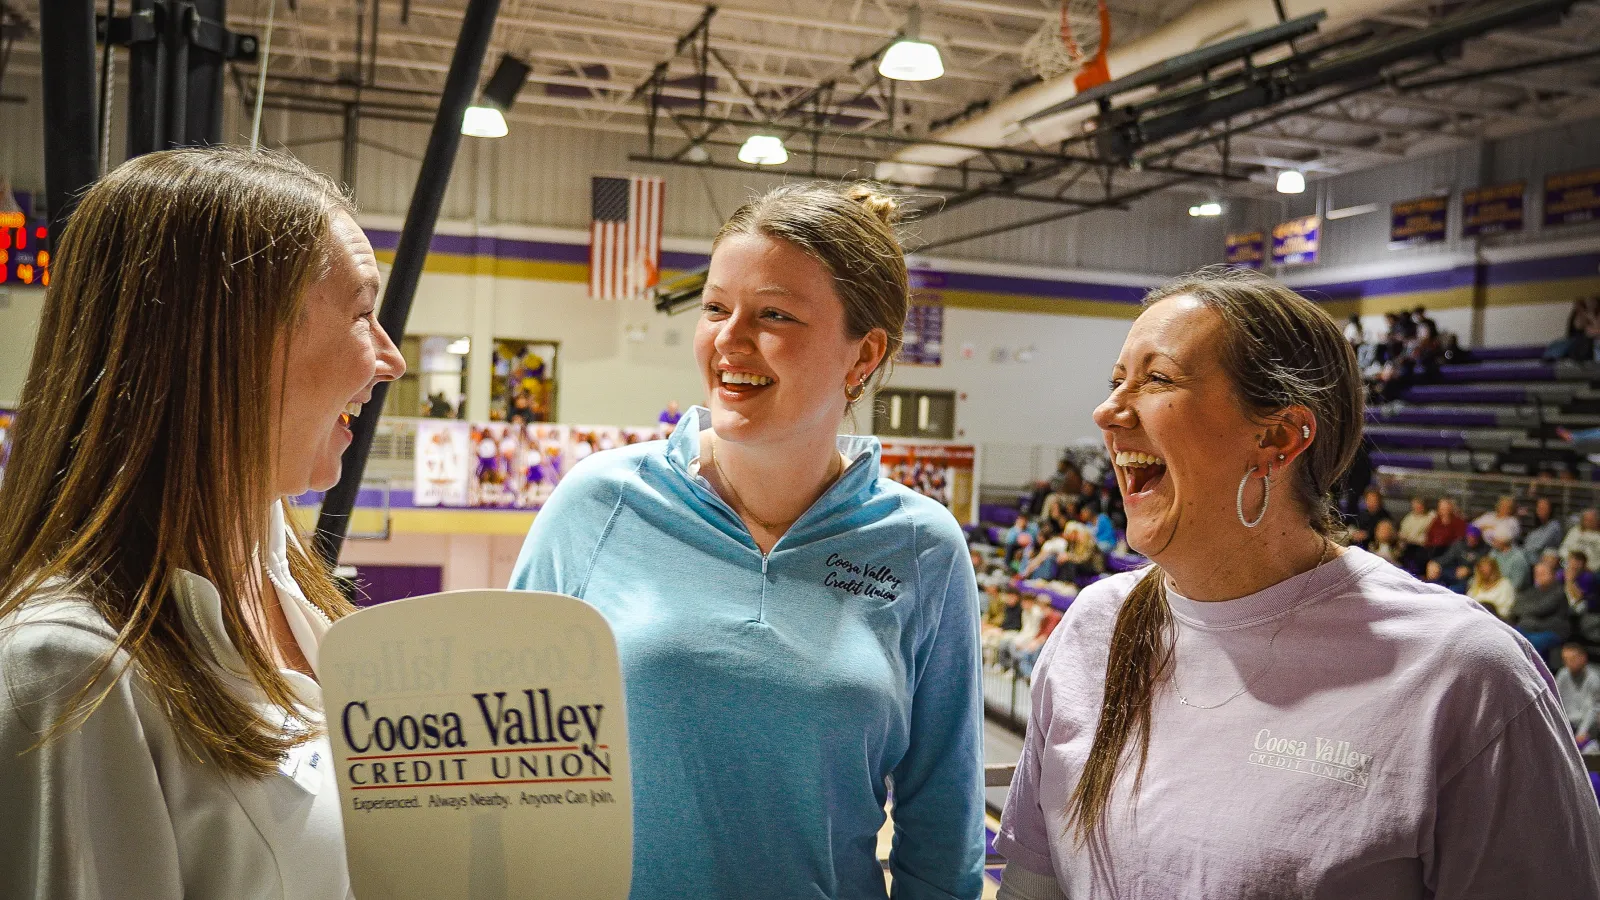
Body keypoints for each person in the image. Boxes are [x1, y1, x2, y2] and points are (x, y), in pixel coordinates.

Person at [994, 267, 1600, 899]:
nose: (1107, 411)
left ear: (1279, 438)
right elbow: (1036, 887)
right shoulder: (1095, 627)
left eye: (1157, 379)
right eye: (1117, 381)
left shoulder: (1466, 676)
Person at [509, 183, 984, 899]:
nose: (729, 339)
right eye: (714, 308)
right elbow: (503, 748)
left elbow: (943, 824)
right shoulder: (600, 503)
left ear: (863, 357)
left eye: (773, 314)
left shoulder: (921, 548)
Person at [0, 148, 406, 896]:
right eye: (361, 313)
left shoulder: (296, 594)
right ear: (233, 340)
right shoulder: (69, 667)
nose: (391, 358)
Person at [1510, 559, 1571, 661]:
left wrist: (1526, 614)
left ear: (1553, 575)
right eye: (1537, 574)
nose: (1539, 576)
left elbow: (1541, 609)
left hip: (1551, 630)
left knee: (1530, 644)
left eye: (1543, 573)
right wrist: (1527, 613)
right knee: (1508, 635)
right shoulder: (1531, 591)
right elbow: (1516, 608)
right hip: (1530, 628)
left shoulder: (1558, 592)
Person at [1557, 643, 1600, 750]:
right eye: (1565, 659)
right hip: (1567, 725)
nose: (1569, 663)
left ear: (1583, 658)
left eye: (1572, 659)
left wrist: (1583, 732)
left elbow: (1593, 709)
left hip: (1588, 730)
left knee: (1590, 750)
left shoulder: (1593, 678)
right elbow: (1556, 702)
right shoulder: (1562, 675)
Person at [1436, 524, 1489, 591]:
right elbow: (1447, 557)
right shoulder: (1459, 544)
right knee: (1436, 578)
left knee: (1456, 589)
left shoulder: (1484, 549)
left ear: (1478, 538)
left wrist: (1469, 570)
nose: (1471, 539)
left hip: (1470, 577)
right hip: (1454, 571)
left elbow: (1484, 567)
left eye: (1474, 538)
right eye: (1469, 537)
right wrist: (1435, 562)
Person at [1467, 556, 1516, 620]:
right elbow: (1469, 602)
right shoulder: (1476, 585)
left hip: (1497, 619)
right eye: (1481, 568)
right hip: (1475, 618)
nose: (1483, 570)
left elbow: (1506, 608)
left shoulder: (1504, 584)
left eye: (1486, 567)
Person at [1396, 495, 1434, 572]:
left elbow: (1426, 537)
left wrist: (1410, 539)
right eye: (1415, 505)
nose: (1417, 507)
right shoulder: (1409, 518)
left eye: (1419, 504)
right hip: (1407, 545)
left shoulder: (1431, 516)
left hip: (1422, 547)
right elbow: (1402, 533)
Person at [1521, 496, 1564, 564]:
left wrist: (1523, 551)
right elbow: (1527, 542)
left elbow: (1539, 545)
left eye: (1544, 508)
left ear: (1550, 510)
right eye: (1539, 508)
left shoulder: (1554, 526)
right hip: (1530, 558)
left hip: (1545, 561)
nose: (1541, 510)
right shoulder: (1538, 526)